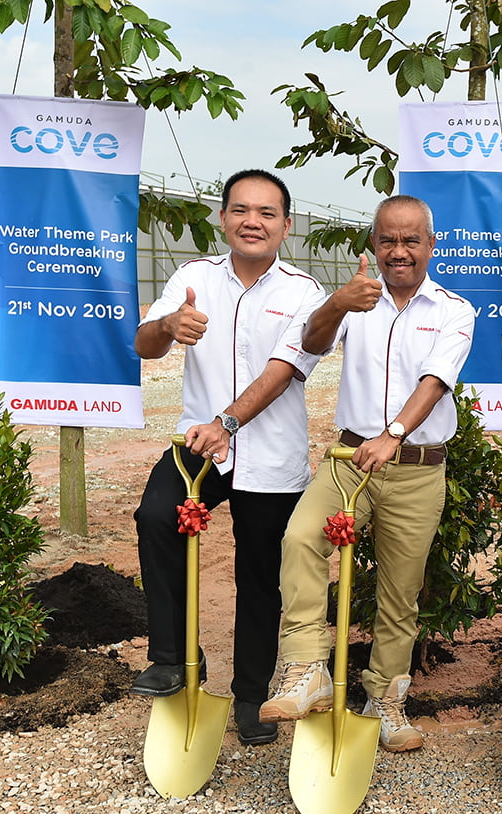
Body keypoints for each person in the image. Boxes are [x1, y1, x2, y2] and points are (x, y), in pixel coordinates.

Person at [258, 195, 474, 753]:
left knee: (399, 594)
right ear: (373, 244)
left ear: (431, 243)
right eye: (387, 241)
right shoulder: (356, 300)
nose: (398, 252)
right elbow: (310, 343)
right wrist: (338, 303)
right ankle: (307, 668)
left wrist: (394, 433)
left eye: (410, 241)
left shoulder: (454, 310)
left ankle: (386, 702)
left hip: (417, 470)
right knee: (301, 537)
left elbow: (434, 381)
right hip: (348, 461)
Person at [131, 169, 328, 747]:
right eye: (241, 210)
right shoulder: (194, 277)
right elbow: (145, 345)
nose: (253, 221)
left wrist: (228, 423)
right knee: (155, 517)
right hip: (197, 448)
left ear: (286, 225)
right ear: (223, 218)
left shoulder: (304, 292)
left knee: (260, 577)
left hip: (269, 455)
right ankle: (171, 657)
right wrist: (167, 325)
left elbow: (285, 370)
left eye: (267, 213)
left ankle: (250, 696)